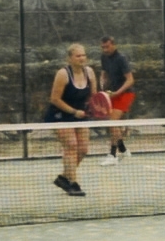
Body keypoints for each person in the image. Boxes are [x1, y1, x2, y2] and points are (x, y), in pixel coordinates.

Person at [43, 43, 96, 196]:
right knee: (71, 146)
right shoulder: (63, 74)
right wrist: (73, 111)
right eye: (78, 56)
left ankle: (64, 178)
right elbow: (55, 99)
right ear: (70, 58)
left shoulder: (90, 72)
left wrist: (96, 106)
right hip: (60, 114)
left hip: (81, 114)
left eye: (83, 55)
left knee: (83, 149)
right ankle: (73, 183)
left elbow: (93, 96)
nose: (82, 58)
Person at [95, 35, 136, 165]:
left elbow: (130, 80)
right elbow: (104, 74)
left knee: (112, 122)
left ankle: (112, 155)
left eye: (107, 47)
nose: (105, 50)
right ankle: (123, 149)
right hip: (112, 94)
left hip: (126, 94)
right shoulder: (104, 57)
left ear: (113, 45)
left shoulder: (121, 59)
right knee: (112, 123)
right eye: (103, 47)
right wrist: (103, 87)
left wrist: (117, 93)